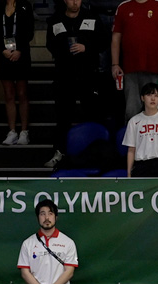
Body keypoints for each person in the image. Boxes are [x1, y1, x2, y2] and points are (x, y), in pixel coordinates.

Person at [45, 0, 107, 169]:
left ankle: (96, 154)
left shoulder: (92, 18)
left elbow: (103, 41)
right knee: (63, 117)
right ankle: (59, 153)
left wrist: (86, 47)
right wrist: (65, 50)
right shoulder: (55, 20)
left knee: (93, 115)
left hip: (88, 75)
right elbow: (50, 44)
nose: (75, 2)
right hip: (64, 76)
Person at [112, 0, 158, 120]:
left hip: (156, 67)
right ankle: (132, 138)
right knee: (131, 111)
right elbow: (116, 37)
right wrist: (115, 64)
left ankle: (157, 138)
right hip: (130, 69)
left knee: (156, 110)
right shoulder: (123, 6)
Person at [17, 199, 77, 284]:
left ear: (56, 217)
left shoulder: (68, 242)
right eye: (42, 214)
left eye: (50, 213)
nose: (46, 218)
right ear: (38, 217)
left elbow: (69, 272)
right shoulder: (28, 243)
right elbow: (25, 272)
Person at [0, 0, 34, 146]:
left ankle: (24, 131)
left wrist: (20, 50)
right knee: (9, 94)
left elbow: (29, 31)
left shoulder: (25, 6)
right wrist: (2, 49)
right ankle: (12, 132)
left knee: (22, 93)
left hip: (21, 54)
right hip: (4, 55)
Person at [123, 82, 158, 176]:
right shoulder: (134, 121)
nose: (153, 99)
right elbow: (131, 149)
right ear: (142, 98)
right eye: (149, 95)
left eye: (156, 95)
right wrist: (129, 173)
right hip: (141, 166)